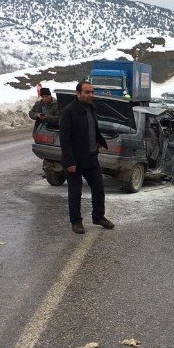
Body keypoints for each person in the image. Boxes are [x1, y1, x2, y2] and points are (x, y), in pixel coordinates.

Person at [59, 81, 114, 234]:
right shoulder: (68, 112)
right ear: (78, 94)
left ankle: (98, 217)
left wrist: (99, 142)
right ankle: (76, 222)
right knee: (75, 192)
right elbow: (64, 139)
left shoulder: (91, 108)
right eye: (87, 92)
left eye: (92, 92)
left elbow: (93, 128)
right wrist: (70, 161)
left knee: (98, 188)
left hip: (91, 157)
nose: (91, 95)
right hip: (75, 160)